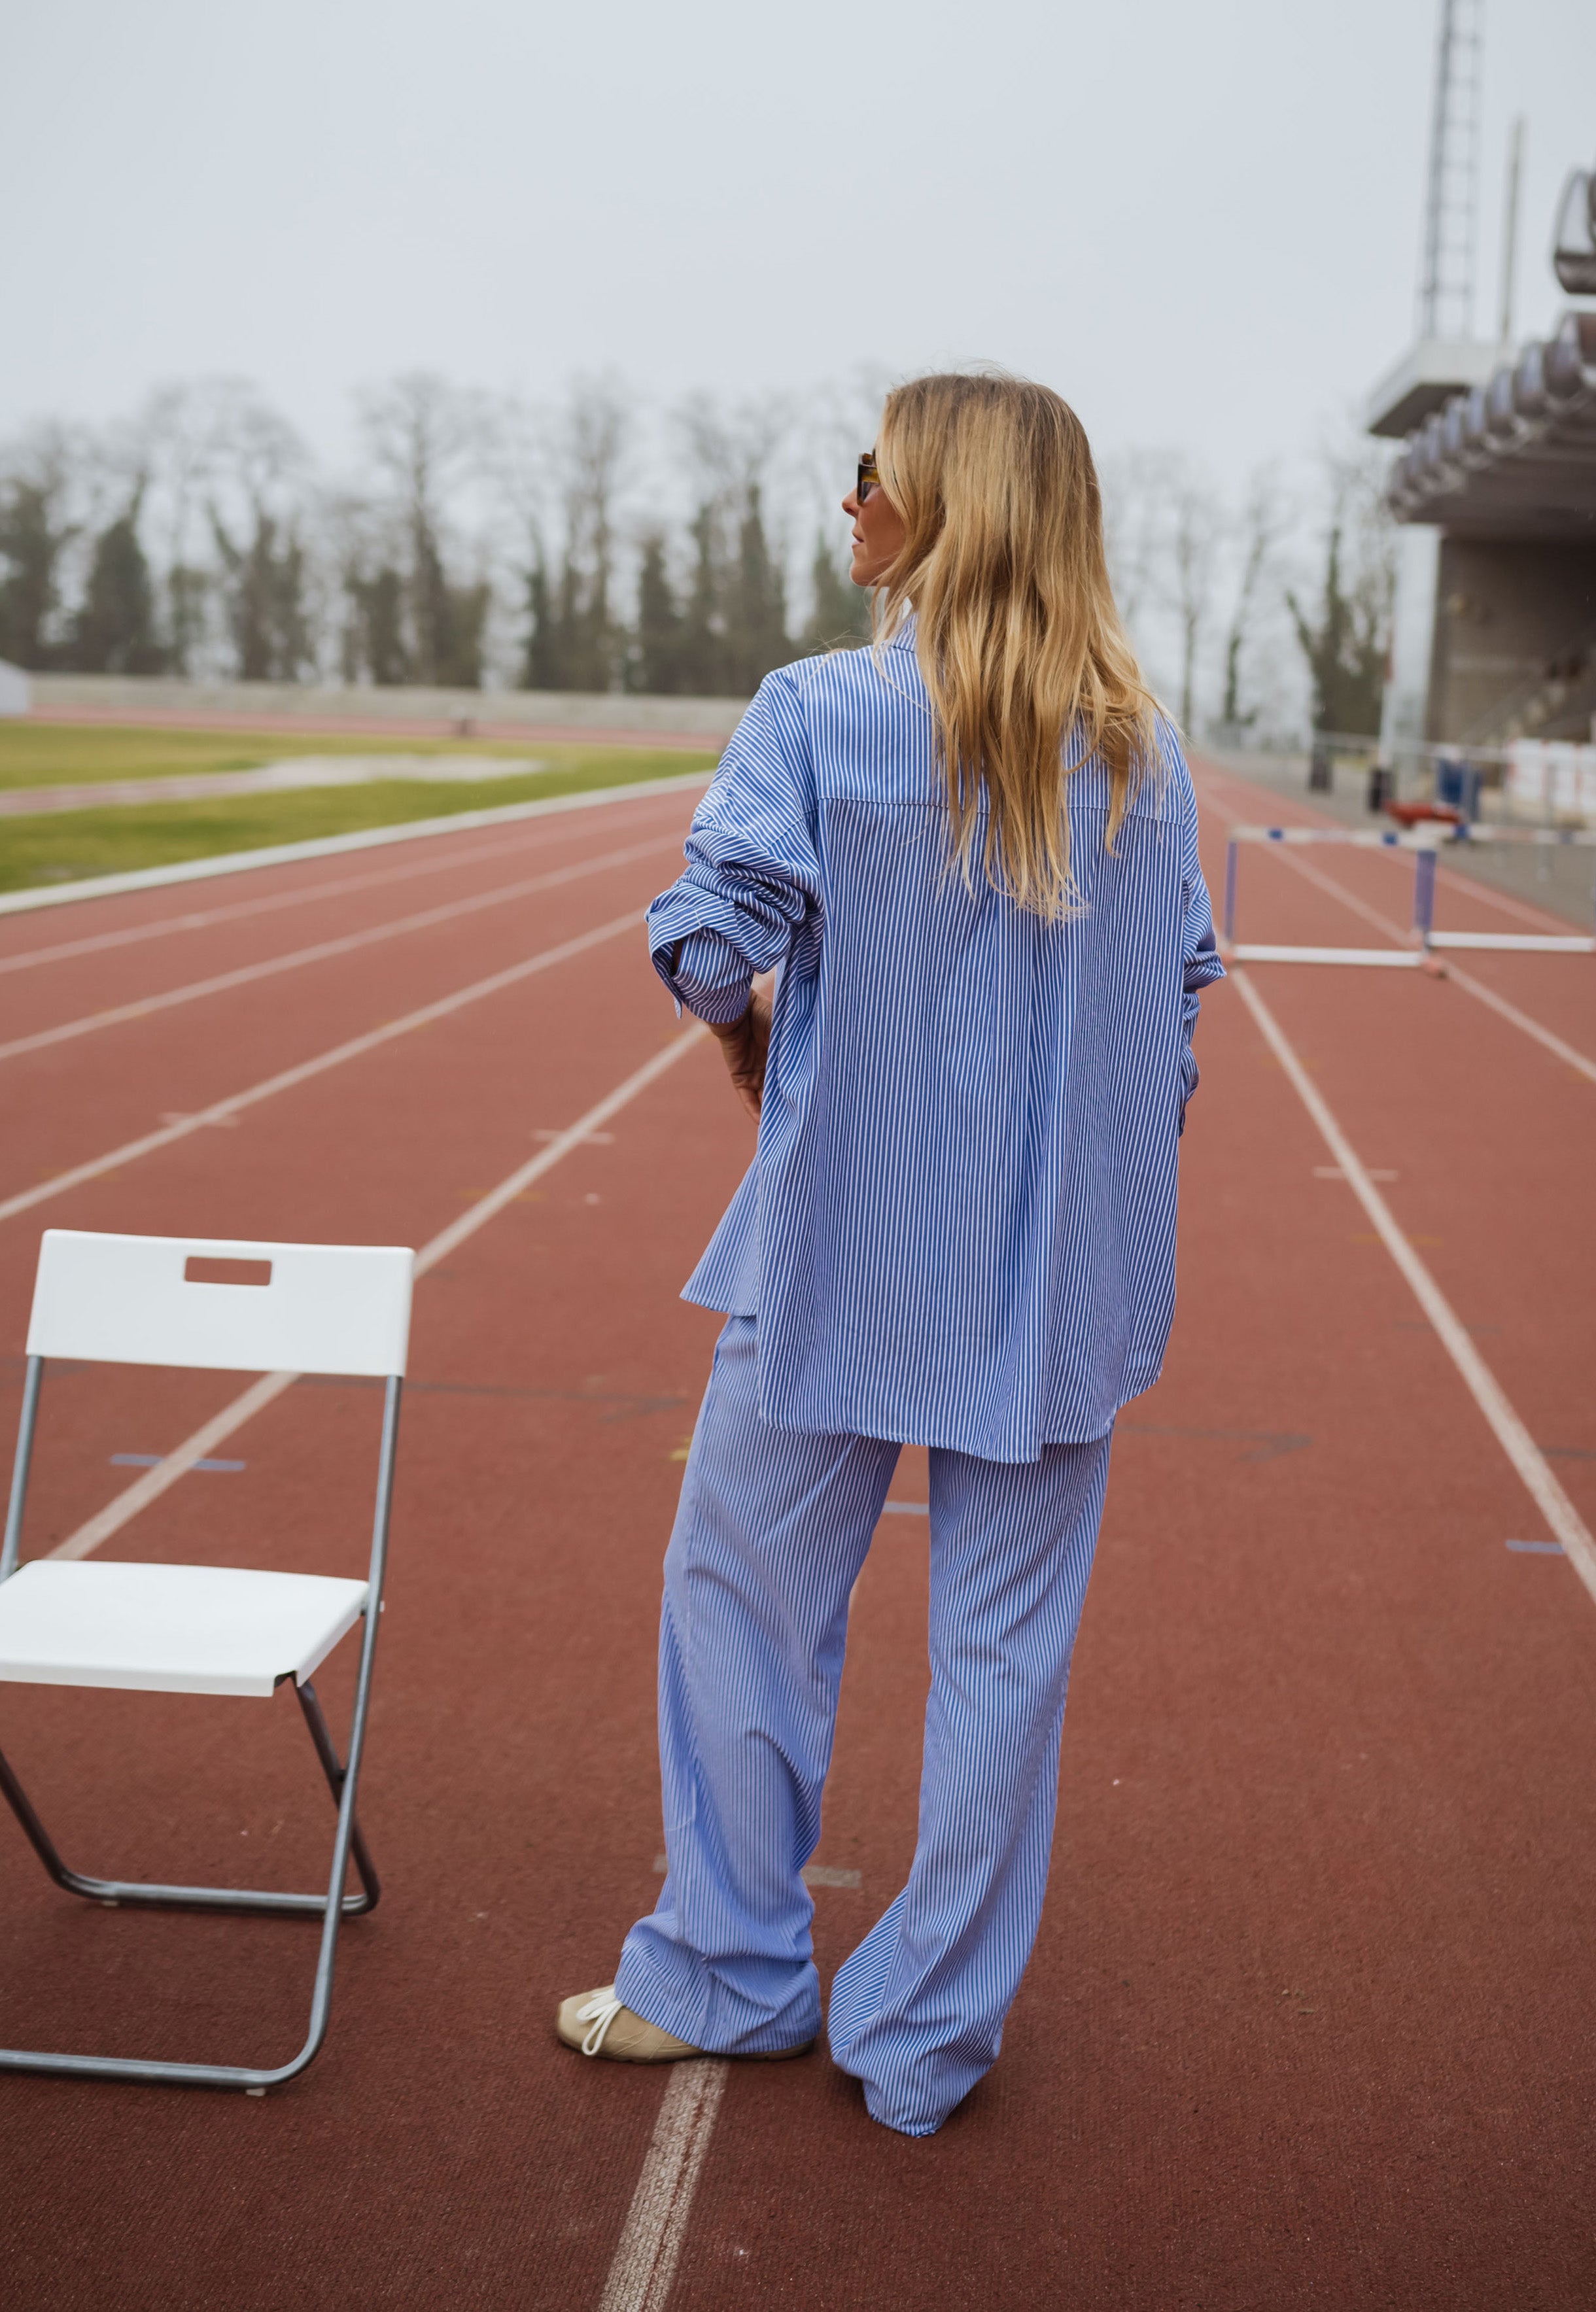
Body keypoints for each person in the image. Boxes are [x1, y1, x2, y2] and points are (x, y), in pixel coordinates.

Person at [557, 371, 1223, 2138]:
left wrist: (737, 1007)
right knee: (1005, 1655)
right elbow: (1177, 1015)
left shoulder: (819, 714)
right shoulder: (1147, 757)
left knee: (747, 1608)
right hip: (1061, 1288)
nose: (849, 504)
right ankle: (925, 2040)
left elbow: (710, 944)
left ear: (942, 509)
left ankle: (729, 1969)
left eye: (874, 476)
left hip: (838, 1252)